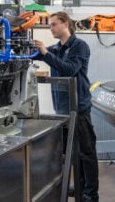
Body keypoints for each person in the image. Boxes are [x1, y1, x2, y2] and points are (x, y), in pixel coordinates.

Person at [34, 11, 99, 202]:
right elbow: (42, 56)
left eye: (53, 24)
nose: (51, 28)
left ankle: (90, 194)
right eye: (50, 25)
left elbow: (69, 69)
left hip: (78, 109)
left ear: (65, 24)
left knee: (86, 153)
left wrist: (45, 53)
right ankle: (79, 188)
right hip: (61, 111)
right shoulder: (57, 48)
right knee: (72, 154)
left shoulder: (80, 46)